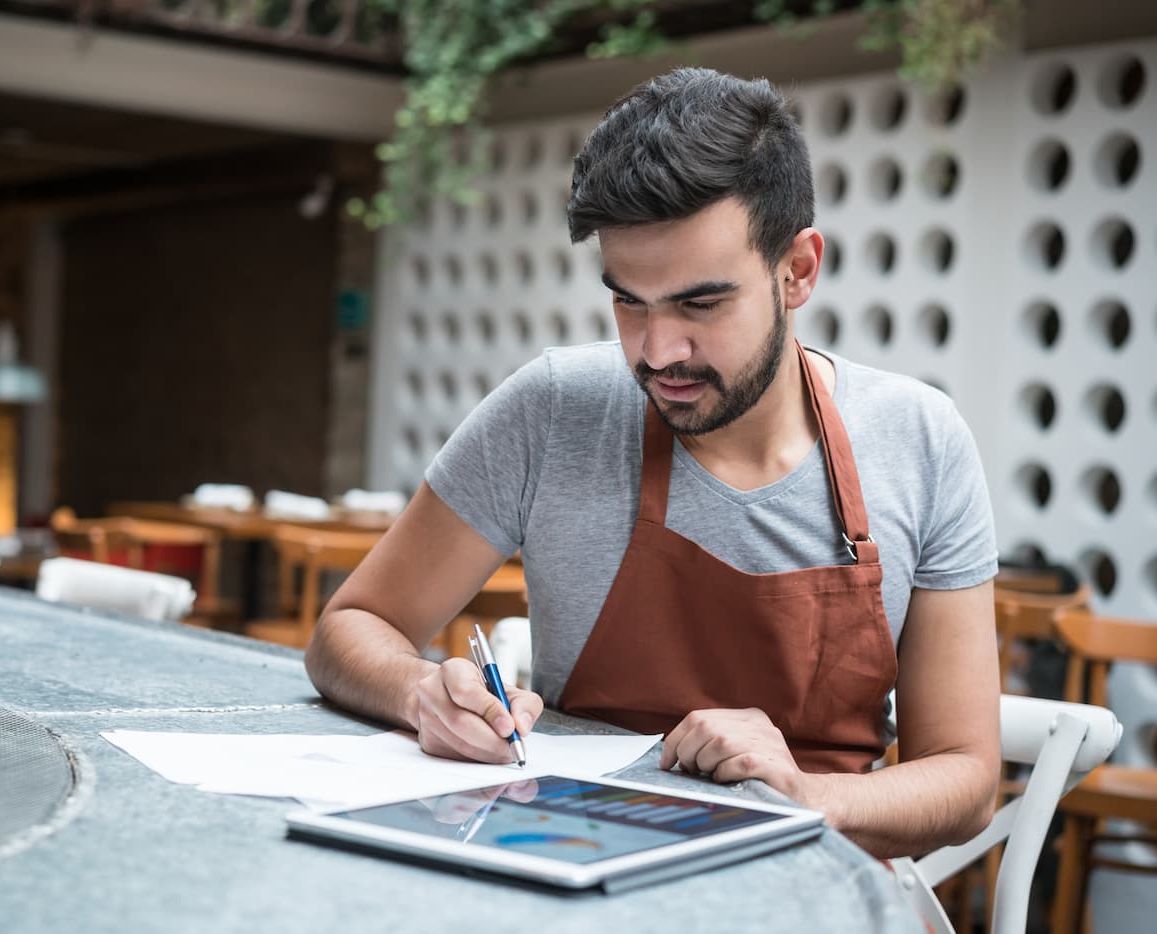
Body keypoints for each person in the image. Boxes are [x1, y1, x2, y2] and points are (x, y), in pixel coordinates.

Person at [306, 67, 999, 859]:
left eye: (701, 304)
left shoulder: (920, 440)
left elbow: (967, 778)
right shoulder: (554, 409)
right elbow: (352, 627)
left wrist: (808, 797)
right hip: (571, 864)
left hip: (815, 882)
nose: (659, 351)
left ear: (798, 270)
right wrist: (420, 692)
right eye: (629, 300)